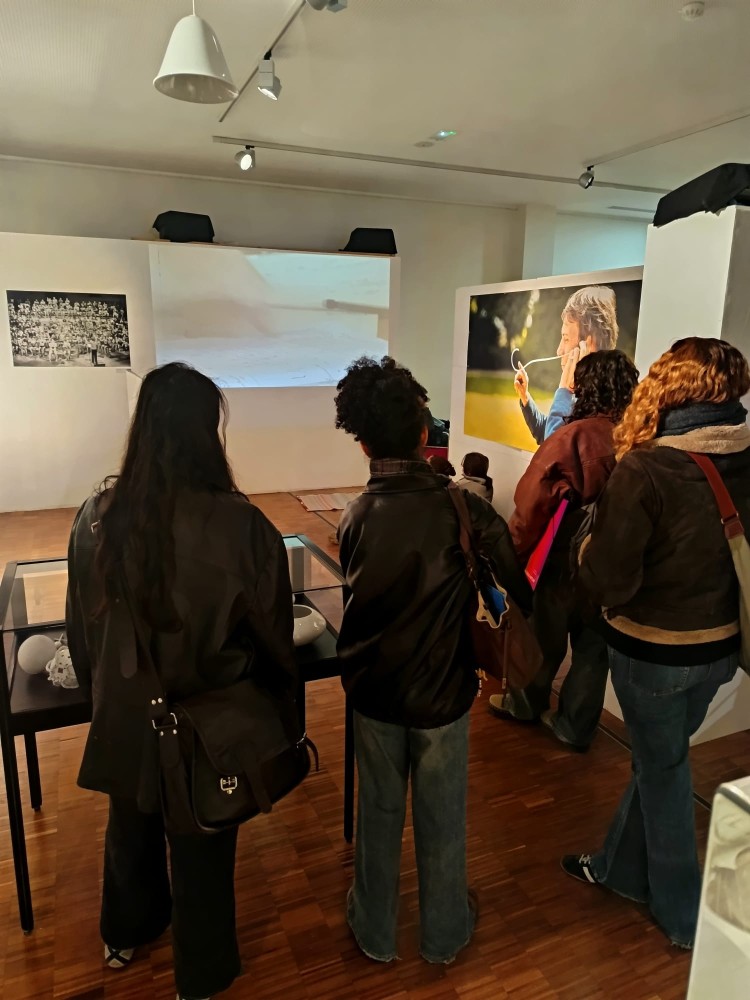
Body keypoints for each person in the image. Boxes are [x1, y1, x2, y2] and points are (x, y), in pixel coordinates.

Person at [66, 362, 297, 1000]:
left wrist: (103, 699)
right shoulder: (245, 527)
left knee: (129, 825)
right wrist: (277, 709)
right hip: (209, 725)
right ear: (207, 433)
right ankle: (201, 975)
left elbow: (82, 632)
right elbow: (274, 638)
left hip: (126, 714)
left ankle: (126, 932)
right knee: (204, 843)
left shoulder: (94, 518)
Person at [334, 356, 531, 965]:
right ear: (425, 434)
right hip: (445, 691)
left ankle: (374, 931)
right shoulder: (462, 507)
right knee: (443, 817)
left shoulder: (354, 517)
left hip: (374, 690)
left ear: (363, 443)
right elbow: (515, 581)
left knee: (378, 813)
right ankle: (444, 934)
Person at [565, 337, 750, 949]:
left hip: (653, 654)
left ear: (669, 387)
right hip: (722, 651)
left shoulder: (645, 467)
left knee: (665, 774)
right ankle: (616, 869)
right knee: (658, 762)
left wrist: (584, 550)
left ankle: (682, 917)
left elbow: (608, 579)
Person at [490, 350, 639, 749]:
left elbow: (531, 506)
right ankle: (575, 727)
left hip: (563, 562)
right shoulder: (641, 436)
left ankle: (524, 705)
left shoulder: (573, 437)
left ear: (586, 388)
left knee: (543, 638)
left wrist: (510, 560)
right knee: (593, 649)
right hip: (615, 564)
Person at [514, 286, 620, 445]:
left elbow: (552, 450)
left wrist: (564, 390)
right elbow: (547, 431)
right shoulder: (585, 395)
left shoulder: (599, 408)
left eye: (565, 338)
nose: (559, 350)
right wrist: (525, 398)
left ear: (588, 344)